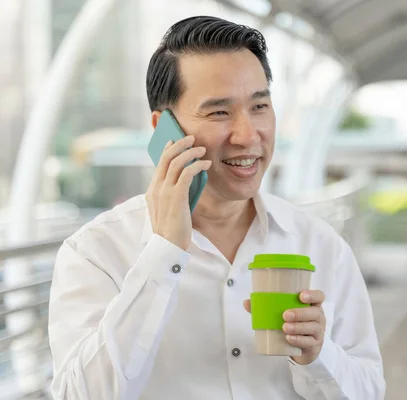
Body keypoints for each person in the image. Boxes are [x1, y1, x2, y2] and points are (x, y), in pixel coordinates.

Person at [48, 16, 385, 399]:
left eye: (259, 106)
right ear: (164, 128)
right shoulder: (96, 251)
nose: (247, 135)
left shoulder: (319, 244)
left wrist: (318, 354)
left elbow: (370, 391)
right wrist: (163, 255)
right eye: (219, 112)